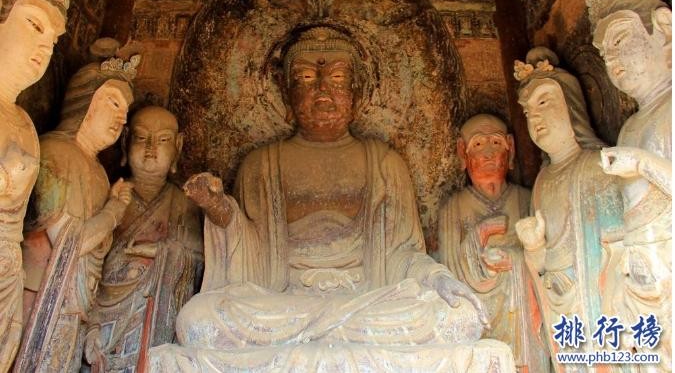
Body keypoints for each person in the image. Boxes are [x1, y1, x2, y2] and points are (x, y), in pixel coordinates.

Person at [150, 26, 515, 372]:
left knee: (458, 318)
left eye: (338, 78)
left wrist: (438, 279)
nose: (323, 89)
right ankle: (334, 337)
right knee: (197, 320)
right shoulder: (261, 164)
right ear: (287, 94)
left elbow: (402, 255)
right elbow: (252, 259)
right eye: (306, 78)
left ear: (356, 93)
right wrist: (220, 210)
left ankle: (324, 338)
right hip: (285, 306)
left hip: (368, 302)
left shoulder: (384, 162)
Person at [16, 54, 136, 372]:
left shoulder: (99, 173)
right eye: (113, 102)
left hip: (76, 304)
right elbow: (71, 242)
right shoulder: (56, 153)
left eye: (125, 110)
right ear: (84, 100)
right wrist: (114, 210)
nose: (122, 117)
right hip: (39, 295)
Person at [513, 47, 623, 371]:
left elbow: (620, 250)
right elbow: (541, 263)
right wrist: (534, 248)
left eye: (544, 102)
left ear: (572, 105)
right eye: (527, 110)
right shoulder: (542, 181)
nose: (534, 117)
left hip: (599, 303)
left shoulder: (599, 166)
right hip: (560, 306)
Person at [587, 0, 672, 370]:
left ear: (664, 30)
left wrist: (643, 163)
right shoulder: (630, 127)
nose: (613, 60)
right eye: (605, 54)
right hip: (640, 271)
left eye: (621, 41)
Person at [84, 106, 203, 372]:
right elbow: (89, 255)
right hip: (106, 309)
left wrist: (162, 253)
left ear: (178, 146)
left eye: (163, 139)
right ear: (125, 141)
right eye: (141, 138)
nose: (151, 148)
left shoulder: (184, 203)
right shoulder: (111, 193)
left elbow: (200, 262)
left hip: (157, 312)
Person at [0, 0, 75, 372]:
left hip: (7, 273)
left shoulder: (25, 124)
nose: (46, 46)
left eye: (54, 39)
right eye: (34, 25)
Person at [439, 113, 549, 372]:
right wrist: (478, 241)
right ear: (462, 153)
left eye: (496, 143)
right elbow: (448, 274)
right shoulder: (452, 208)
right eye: (478, 144)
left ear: (510, 149)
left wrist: (517, 258)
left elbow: (547, 262)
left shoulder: (527, 199)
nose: (488, 153)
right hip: (477, 318)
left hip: (523, 316)